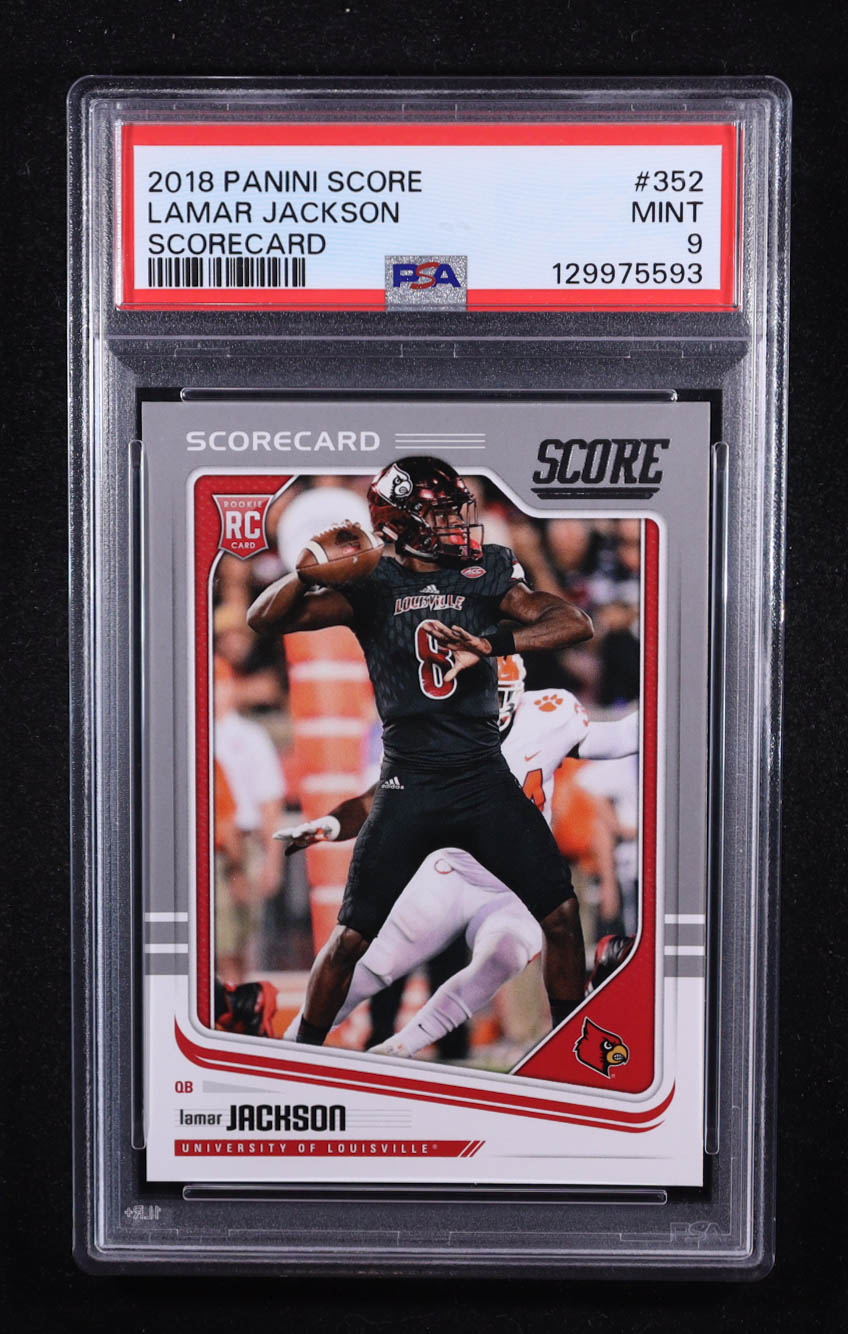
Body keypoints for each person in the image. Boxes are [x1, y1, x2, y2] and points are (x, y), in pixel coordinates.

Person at [247, 456, 593, 1046]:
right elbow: (263, 619)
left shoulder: (485, 571)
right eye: (440, 513)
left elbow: (574, 621)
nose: (456, 522)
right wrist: (304, 573)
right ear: (401, 520)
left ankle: (566, 1050)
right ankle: (303, 1057)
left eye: (456, 510)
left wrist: (490, 643)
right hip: (409, 784)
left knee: (561, 916)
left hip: (482, 777)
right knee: (351, 938)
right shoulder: (372, 582)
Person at [280, 655, 638, 1058]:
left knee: (503, 957)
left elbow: (620, 738)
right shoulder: (434, 728)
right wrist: (331, 824)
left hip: (516, 885)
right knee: (373, 966)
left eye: (491, 695)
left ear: (513, 695)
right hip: (451, 872)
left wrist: (678, 700)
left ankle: (399, 1049)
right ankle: (291, 1048)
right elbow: (379, 796)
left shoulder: (549, 716)